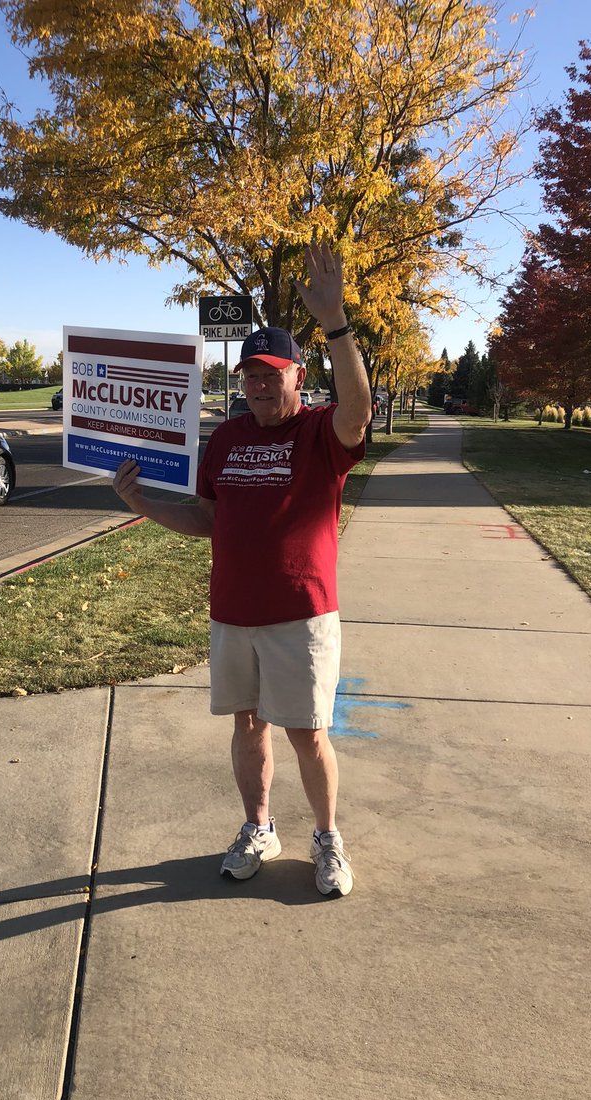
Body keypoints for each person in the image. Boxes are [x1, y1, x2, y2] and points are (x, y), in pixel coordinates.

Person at [113, 242, 371, 896]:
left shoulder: (320, 433)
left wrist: (336, 320)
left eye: (271, 373)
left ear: (297, 376)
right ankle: (258, 827)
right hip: (233, 613)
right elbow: (208, 520)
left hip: (301, 615)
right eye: (250, 375)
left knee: (307, 735)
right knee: (247, 725)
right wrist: (141, 503)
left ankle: (326, 838)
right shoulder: (226, 440)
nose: (258, 384)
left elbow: (360, 409)